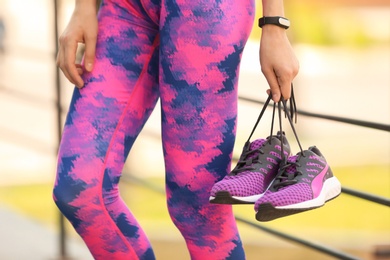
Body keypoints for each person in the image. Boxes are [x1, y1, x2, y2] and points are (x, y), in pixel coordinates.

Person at [53, 0, 299, 259]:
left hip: (204, 11)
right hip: (124, 7)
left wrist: (274, 24)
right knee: (79, 188)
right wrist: (84, 7)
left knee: (197, 207)